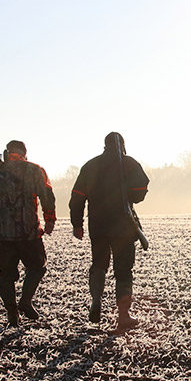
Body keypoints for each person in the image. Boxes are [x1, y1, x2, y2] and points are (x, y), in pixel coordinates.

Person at [70, 132, 150, 335]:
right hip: (123, 225)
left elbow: (77, 198)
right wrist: (129, 194)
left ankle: (96, 301)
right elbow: (141, 190)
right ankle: (123, 315)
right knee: (123, 270)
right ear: (123, 145)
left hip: (97, 225)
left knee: (98, 264)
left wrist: (77, 224)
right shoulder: (129, 163)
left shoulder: (90, 166)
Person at [0, 140, 57, 326]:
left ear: (7, 152)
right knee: (37, 267)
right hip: (28, 232)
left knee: (6, 274)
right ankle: (25, 302)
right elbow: (47, 195)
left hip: (1, 235)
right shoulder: (35, 170)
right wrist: (49, 219)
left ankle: (12, 311)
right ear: (24, 153)